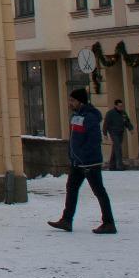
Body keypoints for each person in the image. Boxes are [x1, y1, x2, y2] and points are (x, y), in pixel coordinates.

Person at [50, 87, 116, 234]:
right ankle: (66, 220)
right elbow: (75, 139)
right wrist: (74, 156)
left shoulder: (90, 117)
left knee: (99, 191)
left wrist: (84, 157)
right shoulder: (76, 116)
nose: (70, 103)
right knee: (71, 189)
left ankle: (109, 223)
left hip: (89, 162)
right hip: (78, 162)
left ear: (80, 101)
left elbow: (94, 140)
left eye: (72, 100)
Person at [104, 98, 134, 171]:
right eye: (119, 106)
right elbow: (106, 124)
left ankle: (112, 166)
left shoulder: (123, 113)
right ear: (115, 106)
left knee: (115, 148)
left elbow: (127, 121)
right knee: (118, 148)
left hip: (120, 132)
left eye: (121, 106)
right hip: (113, 132)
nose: (121, 107)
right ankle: (120, 166)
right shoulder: (110, 113)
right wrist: (105, 133)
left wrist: (130, 128)